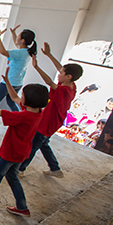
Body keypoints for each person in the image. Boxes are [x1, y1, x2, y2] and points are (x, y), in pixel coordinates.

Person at [0, 78, 49, 217]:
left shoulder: (22, 116)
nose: (20, 97)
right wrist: (7, 82)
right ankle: (22, 207)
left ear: (29, 100)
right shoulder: (38, 112)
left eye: (23, 95)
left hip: (9, 152)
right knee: (12, 177)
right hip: (21, 153)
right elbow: (14, 97)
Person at [18, 44, 83, 177]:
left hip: (49, 122)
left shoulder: (65, 90)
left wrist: (36, 67)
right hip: (52, 119)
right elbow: (60, 68)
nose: (59, 74)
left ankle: (20, 169)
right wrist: (49, 55)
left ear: (69, 76)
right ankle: (55, 168)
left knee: (34, 145)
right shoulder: (71, 84)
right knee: (44, 144)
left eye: (62, 74)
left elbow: (49, 82)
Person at [0, 26, 36, 125]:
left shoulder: (18, 53)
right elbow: (17, 45)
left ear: (22, 40)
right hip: (18, 82)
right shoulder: (27, 51)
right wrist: (13, 34)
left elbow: (3, 52)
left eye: (18, 36)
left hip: (9, 81)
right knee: (11, 101)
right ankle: (21, 117)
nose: (16, 38)